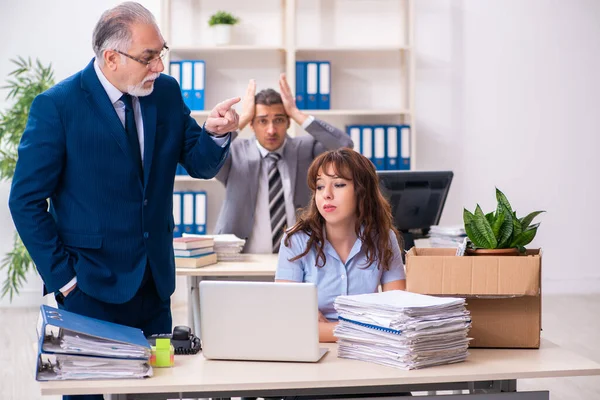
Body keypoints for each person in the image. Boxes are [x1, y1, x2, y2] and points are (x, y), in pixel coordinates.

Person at [8, 3, 238, 398]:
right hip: (88, 290)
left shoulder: (164, 93)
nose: (159, 67)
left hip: (154, 284)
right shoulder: (58, 106)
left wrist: (214, 133)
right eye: (149, 57)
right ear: (111, 57)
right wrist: (66, 280)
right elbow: (25, 201)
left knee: (158, 392)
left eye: (161, 53)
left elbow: (198, 164)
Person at [275, 148, 407, 342]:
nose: (326, 194)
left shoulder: (383, 238)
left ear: (362, 191)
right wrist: (366, 326)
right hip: (310, 350)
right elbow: (289, 322)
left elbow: (396, 316)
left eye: (338, 184)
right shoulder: (295, 239)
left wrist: (325, 328)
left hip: (370, 351)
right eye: (319, 187)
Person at [213, 74, 354, 254]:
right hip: (240, 259)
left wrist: (296, 113)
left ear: (288, 122)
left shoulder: (305, 149)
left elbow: (345, 146)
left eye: (279, 120)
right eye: (262, 121)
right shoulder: (234, 152)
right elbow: (207, 158)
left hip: (300, 257)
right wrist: (242, 119)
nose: (271, 130)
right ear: (252, 124)